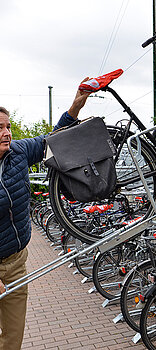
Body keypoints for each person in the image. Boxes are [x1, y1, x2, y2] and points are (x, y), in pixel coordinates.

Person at [0, 78, 91, 350]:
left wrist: (76, 106)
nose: (7, 133)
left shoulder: (18, 152)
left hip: (15, 261)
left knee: (12, 338)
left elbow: (53, 139)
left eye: (8, 127)